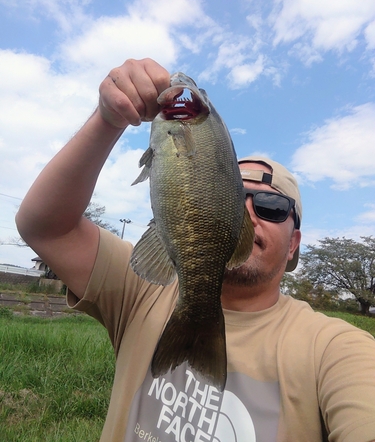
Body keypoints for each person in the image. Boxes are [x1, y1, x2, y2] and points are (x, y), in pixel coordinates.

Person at [16, 58, 375, 442]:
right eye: (238, 198)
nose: (249, 213)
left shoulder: (335, 350)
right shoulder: (141, 290)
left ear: (294, 246)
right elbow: (45, 228)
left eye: (272, 207)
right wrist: (108, 119)